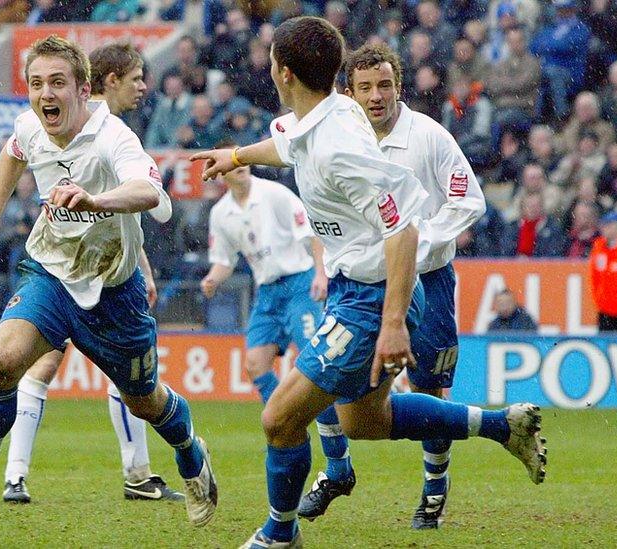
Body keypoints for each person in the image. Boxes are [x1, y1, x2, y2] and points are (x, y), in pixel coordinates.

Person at [189, 17, 545, 548]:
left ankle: (278, 534)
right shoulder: (325, 115)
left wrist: (393, 323)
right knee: (364, 422)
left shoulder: (341, 146)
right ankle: (503, 427)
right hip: (355, 288)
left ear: (282, 72)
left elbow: (401, 225)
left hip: (372, 297)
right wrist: (237, 156)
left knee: (280, 418)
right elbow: (286, 146)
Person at [0, 35, 216, 529]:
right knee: (0, 365)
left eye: (57, 83)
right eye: (36, 84)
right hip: (51, 272)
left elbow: (149, 190)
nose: (45, 94)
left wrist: (94, 200)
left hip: (113, 290)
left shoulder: (113, 136)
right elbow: (12, 154)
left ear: (85, 90)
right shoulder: (30, 126)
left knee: (144, 399)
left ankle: (191, 455)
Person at [294, 42, 488, 531]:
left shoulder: (429, 137)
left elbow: (469, 200)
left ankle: (434, 492)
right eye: (364, 88)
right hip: (361, 285)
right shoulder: (341, 137)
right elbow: (322, 217)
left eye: (384, 86)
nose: (375, 96)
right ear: (349, 92)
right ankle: (337, 472)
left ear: (398, 88)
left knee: (429, 387)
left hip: (429, 281)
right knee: (324, 378)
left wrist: (420, 246)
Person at [0, 42, 183, 506]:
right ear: (109, 81)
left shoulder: (104, 132)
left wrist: (138, 263)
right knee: (45, 363)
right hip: (66, 264)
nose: (144, 86)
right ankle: (24, 474)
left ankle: (21, 475)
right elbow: (149, 207)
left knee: (50, 365)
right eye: (137, 77)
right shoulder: (93, 130)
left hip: (96, 261)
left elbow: (119, 215)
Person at [200, 143, 326, 403]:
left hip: (300, 284)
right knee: (256, 364)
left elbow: (311, 233)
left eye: (241, 158)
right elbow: (225, 260)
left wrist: (321, 274)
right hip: (268, 291)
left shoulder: (275, 194)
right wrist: (213, 277)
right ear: (221, 172)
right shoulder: (221, 213)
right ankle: (283, 419)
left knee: (314, 364)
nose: (240, 164)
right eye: (233, 161)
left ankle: (333, 433)